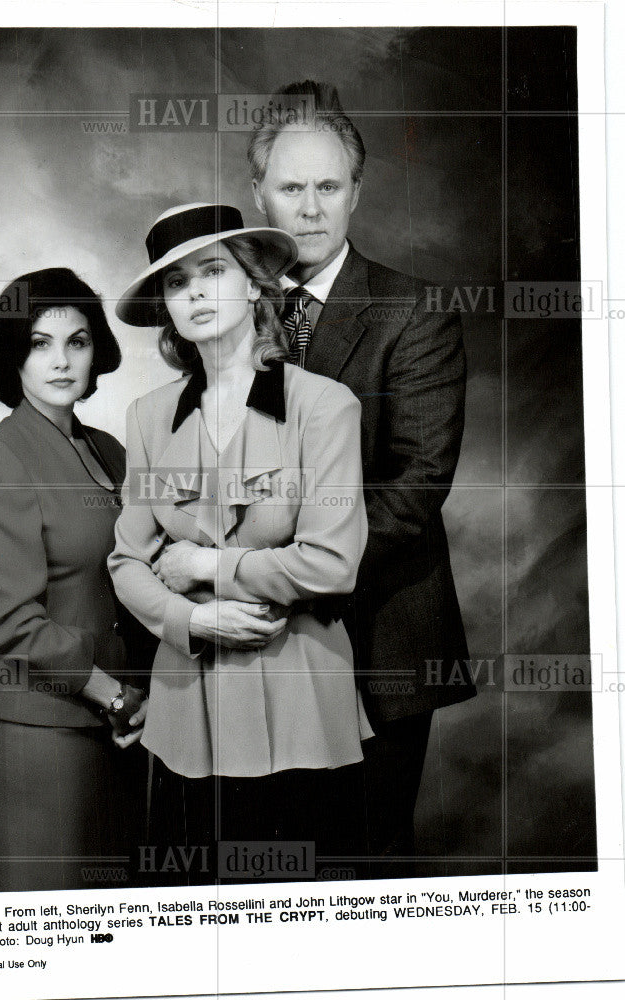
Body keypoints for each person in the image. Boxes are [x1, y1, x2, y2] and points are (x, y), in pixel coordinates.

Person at [108, 203, 374, 884]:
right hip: (184, 712)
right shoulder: (148, 416)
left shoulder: (324, 405)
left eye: (213, 271)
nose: (193, 292)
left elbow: (332, 563)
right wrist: (189, 617)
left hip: (299, 707)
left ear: (255, 284)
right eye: (175, 282)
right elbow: (128, 559)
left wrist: (208, 566)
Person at [248, 80, 475, 876]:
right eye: (291, 188)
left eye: (328, 187)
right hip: (251, 650)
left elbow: (417, 483)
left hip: (379, 639)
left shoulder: (412, 310)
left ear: (356, 193)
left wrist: (287, 576)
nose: (310, 209)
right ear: (259, 195)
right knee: (268, 867)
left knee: (359, 870)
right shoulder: (230, 312)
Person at [0, 267, 152, 892]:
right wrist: (113, 695)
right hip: (46, 730)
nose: (62, 361)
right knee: (52, 938)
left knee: (122, 939)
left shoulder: (112, 450)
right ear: (14, 354)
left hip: (131, 724)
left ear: (99, 351)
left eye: (78, 341)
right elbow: (11, 625)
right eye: (40, 343)